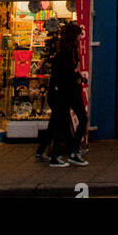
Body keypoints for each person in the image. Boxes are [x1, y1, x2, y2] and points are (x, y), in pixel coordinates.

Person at [35, 23, 88, 168]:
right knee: (61, 123)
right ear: (73, 36)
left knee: (57, 124)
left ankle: (50, 152)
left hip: (67, 92)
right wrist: (74, 79)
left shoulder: (70, 51)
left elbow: (70, 70)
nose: (80, 37)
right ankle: (62, 155)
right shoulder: (65, 53)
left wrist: (79, 77)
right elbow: (62, 74)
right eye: (78, 35)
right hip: (65, 92)